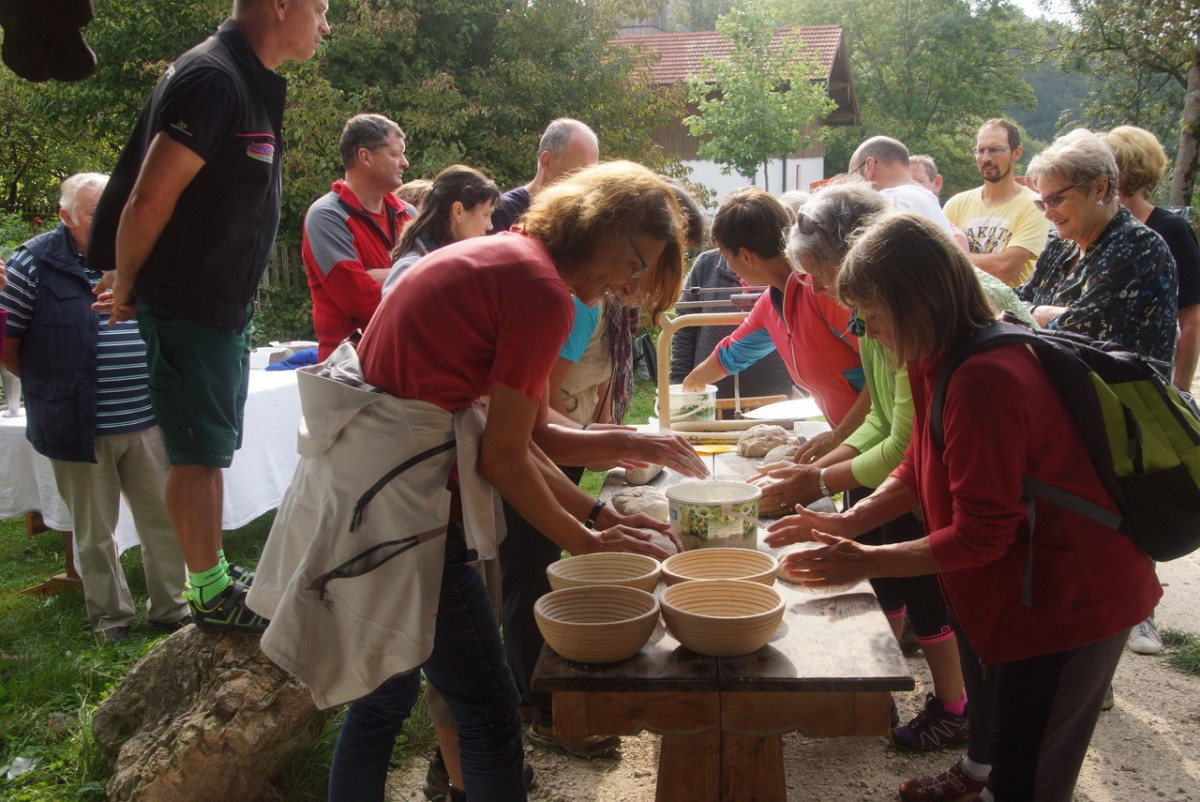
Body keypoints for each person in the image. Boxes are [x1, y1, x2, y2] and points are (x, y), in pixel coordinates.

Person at [245, 161, 702, 802]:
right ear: (599, 226)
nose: (629, 284)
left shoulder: (508, 257)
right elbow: (503, 460)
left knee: (385, 697)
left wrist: (603, 500)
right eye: (633, 263)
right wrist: (590, 542)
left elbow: (516, 430)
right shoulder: (542, 291)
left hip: (365, 485)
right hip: (409, 510)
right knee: (488, 712)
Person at [770, 211, 1161, 802]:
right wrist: (851, 521)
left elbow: (982, 535)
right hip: (1018, 587)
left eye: (871, 315)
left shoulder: (986, 378)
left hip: (1069, 600)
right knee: (1000, 721)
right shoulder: (936, 357)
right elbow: (918, 466)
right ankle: (978, 775)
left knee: (1030, 776)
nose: (865, 331)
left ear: (915, 302)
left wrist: (866, 561)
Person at [87, 0, 331, 632]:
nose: (326, 26)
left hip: (216, 308)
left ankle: (214, 576)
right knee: (194, 452)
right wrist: (128, 282)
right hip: (190, 306)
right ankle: (207, 594)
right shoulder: (214, 77)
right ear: (281, 5)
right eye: (321, 9)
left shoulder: (239, 78)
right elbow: (148, 197)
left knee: (211, 449)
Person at [754, 184, 1021, 756]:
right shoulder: (913, 344)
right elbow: (906, 445)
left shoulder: (974, 370)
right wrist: (841, 514)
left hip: (1039, 582)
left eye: (866, 314)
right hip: (965, 539)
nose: (862, 331)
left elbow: (975, 525)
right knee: (933, 609)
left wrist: (828, 492)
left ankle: (959, 718)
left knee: (1013, 708)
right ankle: (959, 744)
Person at [0, 173, 188, 642]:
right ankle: (112, 619)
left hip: (145, 418)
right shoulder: (34, 264)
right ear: (66, 218)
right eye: (93, 215)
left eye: (113, 211)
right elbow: (8, 344)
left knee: (163, 520)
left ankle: (172, 608)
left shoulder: (140, 251)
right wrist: (52, 386)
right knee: (94, 532)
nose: (106, 223)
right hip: (76, 425)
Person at [681, 187, 867, 461]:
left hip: (878, 440)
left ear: (745, 255)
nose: (728, 267)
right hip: (850, 443)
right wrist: (691, 383)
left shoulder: (821, 291)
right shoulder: (771, 304)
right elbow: (730, 353)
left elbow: (884, 371)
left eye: (725, 255)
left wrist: (838, 437)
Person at [304, 114, 416, 361]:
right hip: (350, 370)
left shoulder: (408, 214)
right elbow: (359, 298)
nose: (405, 163)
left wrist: (380, 274)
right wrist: (413, 275)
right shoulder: (327, 215)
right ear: (365, 156)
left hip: (404, 362)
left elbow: (441, 280)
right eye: (396, 154)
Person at [1101, 125, 1200, 392]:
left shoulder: (1172, 230)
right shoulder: (1097, 230)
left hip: (1153, 378)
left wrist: (1179, 393)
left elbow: (1191, 319)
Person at [669, 247, 796, 404]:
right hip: (709, 399)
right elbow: (684, 329)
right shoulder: (705, 264)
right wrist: (680, 382)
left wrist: (802, 387)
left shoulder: (786, 268)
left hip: (780, 400)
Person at [944, 119, 1050, 287]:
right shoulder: (956, 204)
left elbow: (1005, 268)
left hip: (1007, 310)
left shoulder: (1034, 205)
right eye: (980, 151)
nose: (986, 158)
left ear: (1017, 152)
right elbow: (938, 264)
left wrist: (956, 260)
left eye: (995, 150)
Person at [383, 164, 499, 294]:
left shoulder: (465, 264)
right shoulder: (411, 271)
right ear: (458, 211)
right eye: (486, 214)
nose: (490, 226)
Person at [489, 118, 599, 232]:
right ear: (547, 161)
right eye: (581, 171)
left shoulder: (582, 220)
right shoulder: (499, 213)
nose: (588, 181)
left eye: (593, 173)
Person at [847, 136, 955, 235]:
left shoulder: (888, 203)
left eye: (852, 175)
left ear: (869, 166)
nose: (851, 184)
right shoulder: (929, 200)